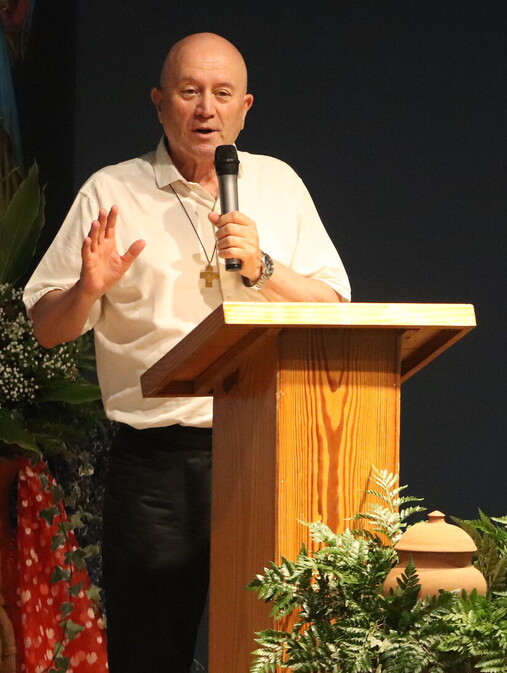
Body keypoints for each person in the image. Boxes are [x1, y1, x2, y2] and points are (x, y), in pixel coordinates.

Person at [23, 32, 350, 673]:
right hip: (157, 468)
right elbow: (45, 328)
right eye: (190, 91)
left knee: (272, 649)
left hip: (267, 453)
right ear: (159, 102)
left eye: (222, 94)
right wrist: (87, 289)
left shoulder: (279, 184)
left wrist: (264, 267)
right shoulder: (111, 193)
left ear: (245, 107)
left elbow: (334, 305)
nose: (206, 109)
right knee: (152, 654)